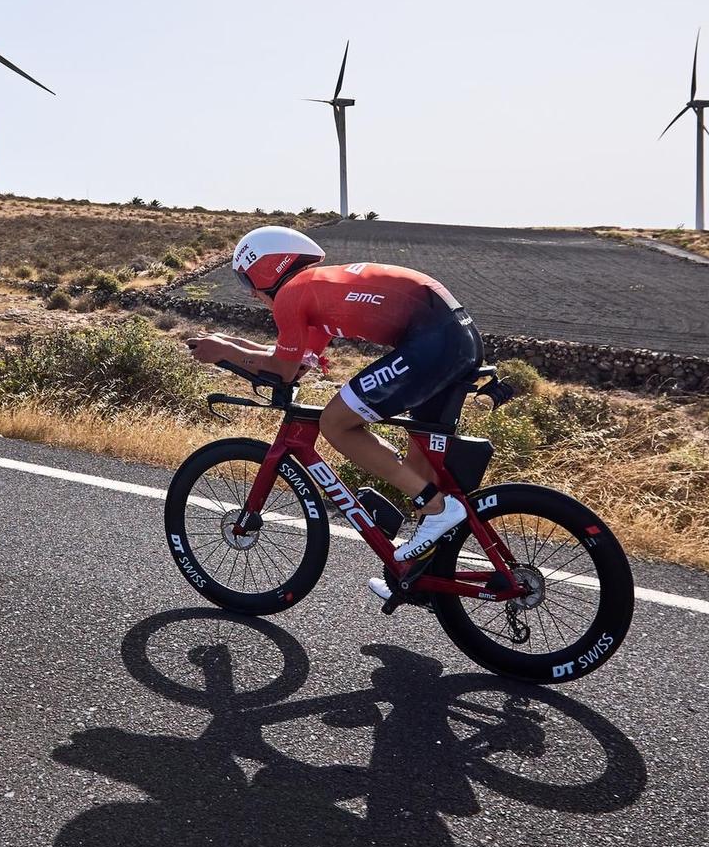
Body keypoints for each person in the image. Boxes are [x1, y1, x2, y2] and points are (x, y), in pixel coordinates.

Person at [184, 226, 484, 601]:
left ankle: (438, 507)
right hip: (456, 339)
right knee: (421, 469)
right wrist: (227, 346)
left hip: (433, 342)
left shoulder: (292, 294)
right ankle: (423, 580)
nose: (250, 292)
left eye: (247, 280)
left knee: (335, 422)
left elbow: (280, 369)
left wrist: (224, 352)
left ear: (265, 267)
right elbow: (294, 363)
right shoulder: (317, 291)